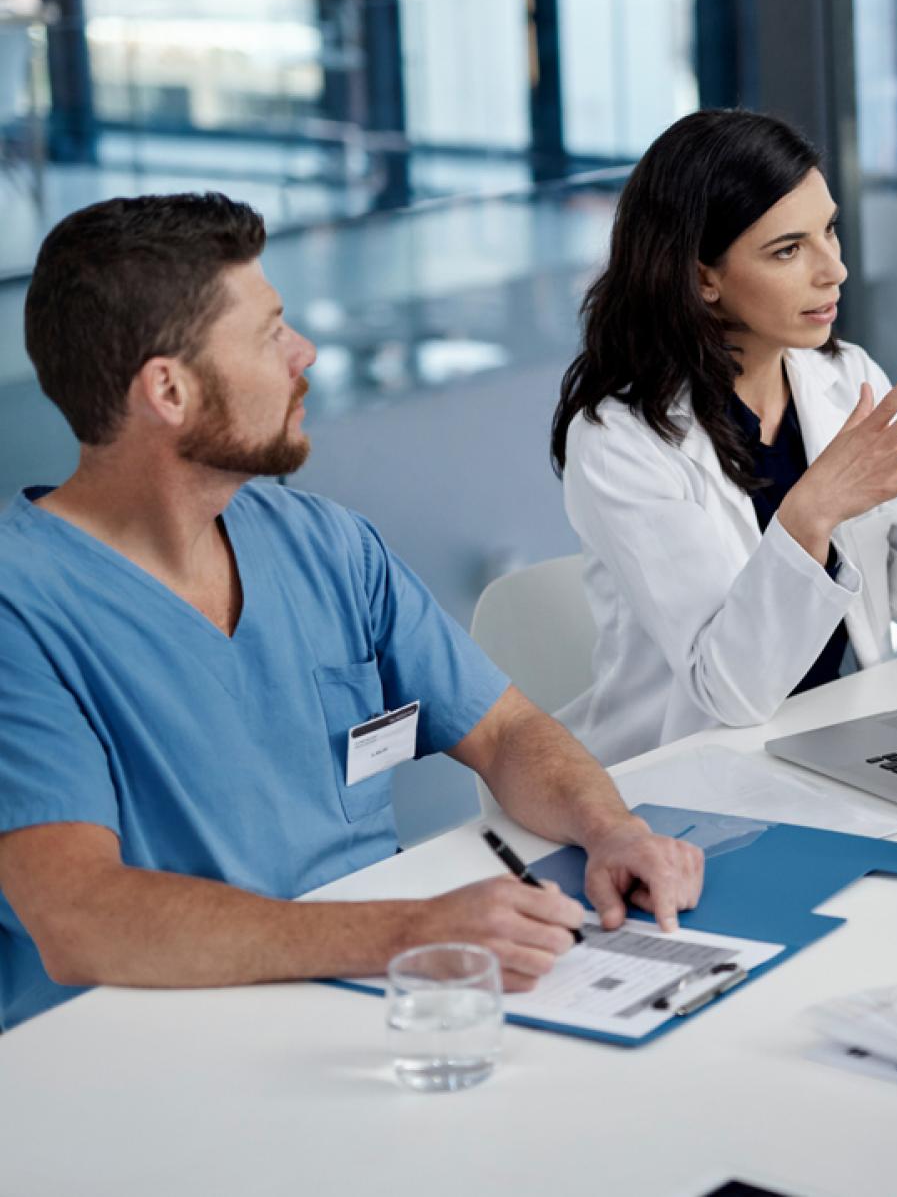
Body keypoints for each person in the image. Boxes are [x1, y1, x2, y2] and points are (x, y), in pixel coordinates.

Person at [0, 194, 704, 1031]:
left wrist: (610, 828)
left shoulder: (327, 546)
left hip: (376, 1001)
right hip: (150, 1047)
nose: (305, 353)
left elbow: (508, 732)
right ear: (169, 389)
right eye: (270, 334)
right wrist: (410, 931)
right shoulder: (22, 606)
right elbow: (80, 917)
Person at [551, 110, 897, 764]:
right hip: (689, 769)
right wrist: (812, 511)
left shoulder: (846, 376)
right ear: (702, 278)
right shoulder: (620, 442)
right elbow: (730, 691)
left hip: (841, 735)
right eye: (788, 249)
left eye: (828, 231)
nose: (832, 269)